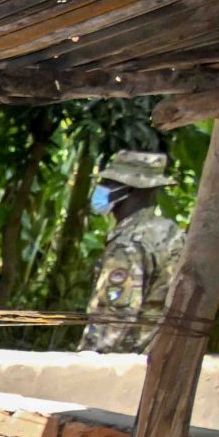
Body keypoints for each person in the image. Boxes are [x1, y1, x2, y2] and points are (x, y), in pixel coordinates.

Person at [81, 150, 185, 355]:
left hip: (126, 365)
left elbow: (112, 321)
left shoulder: (127, 246)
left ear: (127, 189)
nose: (102, 189)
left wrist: (84, 364)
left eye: (109, 183)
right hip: (159, 357)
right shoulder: (171, 232)